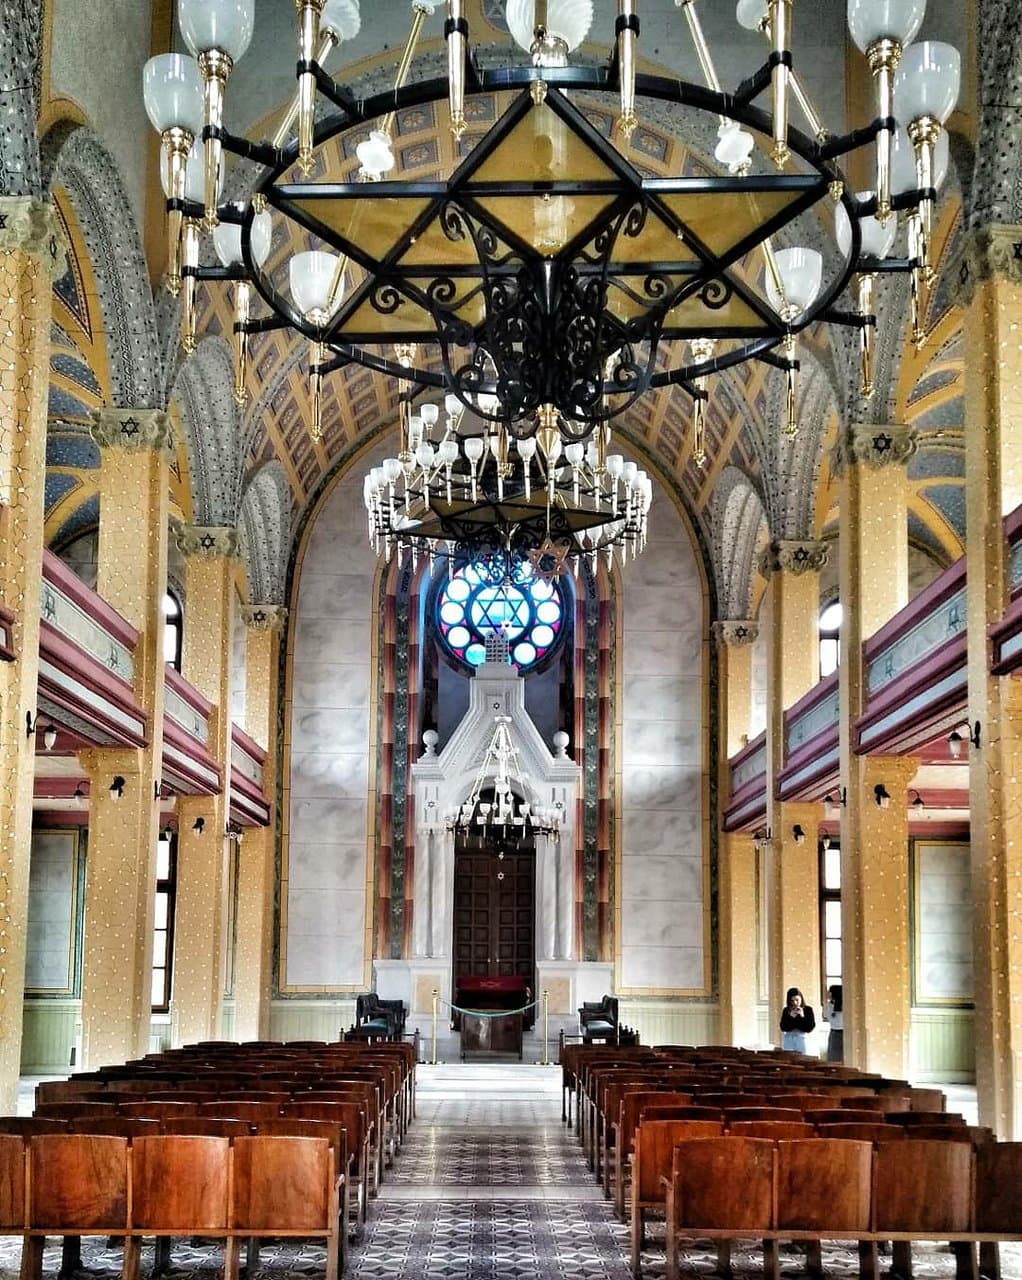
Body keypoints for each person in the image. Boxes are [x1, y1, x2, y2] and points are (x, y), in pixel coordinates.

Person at [779, 986, 815, 1053]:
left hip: (802, 1038)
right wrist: (791, 1017)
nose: (795, 1003)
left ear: (801, 998)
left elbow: (809, 1028)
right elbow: (783, 1027)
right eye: (792, 1001)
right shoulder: (786, 1010)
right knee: (788, 1059)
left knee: (803, 1059)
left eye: (797, 1000)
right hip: (789, 1039)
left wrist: (802, 1016)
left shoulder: (808, 1010)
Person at [824, 984, 843, 1062]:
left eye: (830, 991)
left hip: (843, 1031)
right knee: (833, 1056)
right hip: (834, 1031)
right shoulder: (829, 1005)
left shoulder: (844, 1004)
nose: (828, 993)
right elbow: (828, 1017)